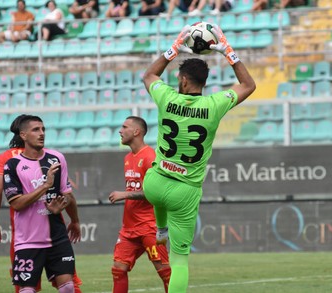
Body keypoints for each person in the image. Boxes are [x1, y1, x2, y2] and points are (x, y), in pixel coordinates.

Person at [141, 25, 256, 292]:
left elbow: (149, 75)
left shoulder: (166, 98)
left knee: (156, 187)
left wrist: (175, 46)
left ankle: (160, 228)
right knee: (180, 261)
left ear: (182, 80)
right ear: (204, 82)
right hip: (184, 191)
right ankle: (164, 231)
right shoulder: (214, 104)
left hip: (154, 184)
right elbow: (249, 85)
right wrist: (228, 52)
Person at [0, 114, 83, 293]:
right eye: (36, 130)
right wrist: (45, 186)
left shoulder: (56, 158)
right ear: (22, 135)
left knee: (68, 287)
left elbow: (68, 194)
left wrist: (66, 209)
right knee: (27, 290)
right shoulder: (11, 164)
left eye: (43, 129)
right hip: (28, 239)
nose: (41, 134)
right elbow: (15, 203)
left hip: (57, 237)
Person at [108, 116, 171, 293]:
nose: (120, 130)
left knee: (164, 271)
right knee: (118, 269)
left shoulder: (151, 156)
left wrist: (125, 194)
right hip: (128, 229)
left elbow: (156, 193)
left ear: (136, 132)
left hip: (151, 226)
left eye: (124, 127)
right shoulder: (128, 157)